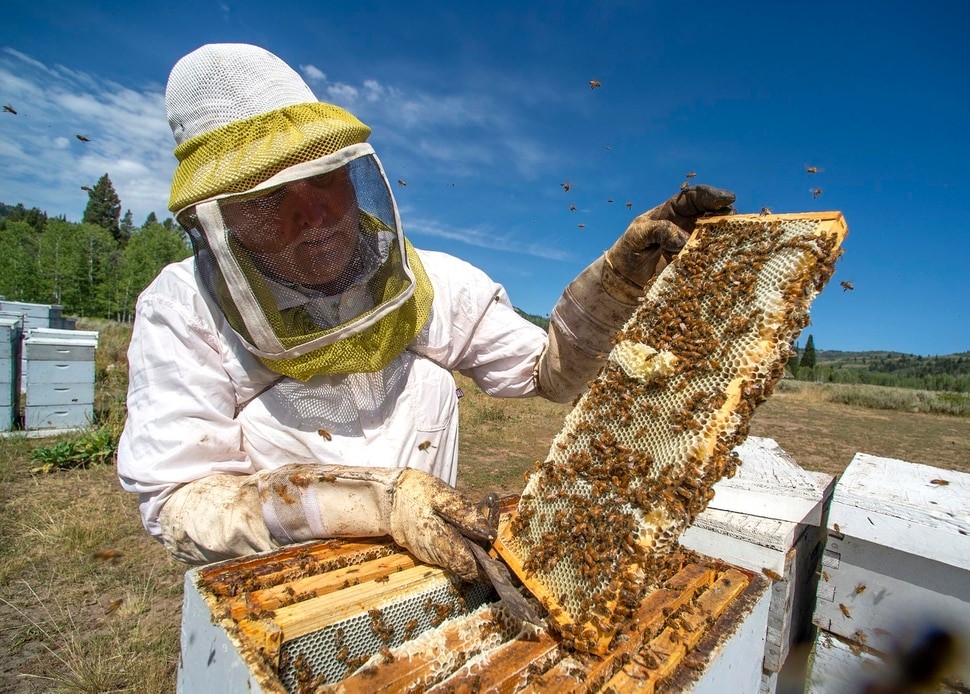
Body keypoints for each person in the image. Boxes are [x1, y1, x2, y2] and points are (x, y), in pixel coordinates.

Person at [117, 43, 735, 581]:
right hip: (281, 592)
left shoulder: (436, 282)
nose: (314, 218)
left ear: (353, 174)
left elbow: (554, 374)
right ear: (225, 220)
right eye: (271, 200)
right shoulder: (184, 310)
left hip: (432, 581)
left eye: (325, 180)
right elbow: (178, 501)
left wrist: (619, 285)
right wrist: (373, 502)